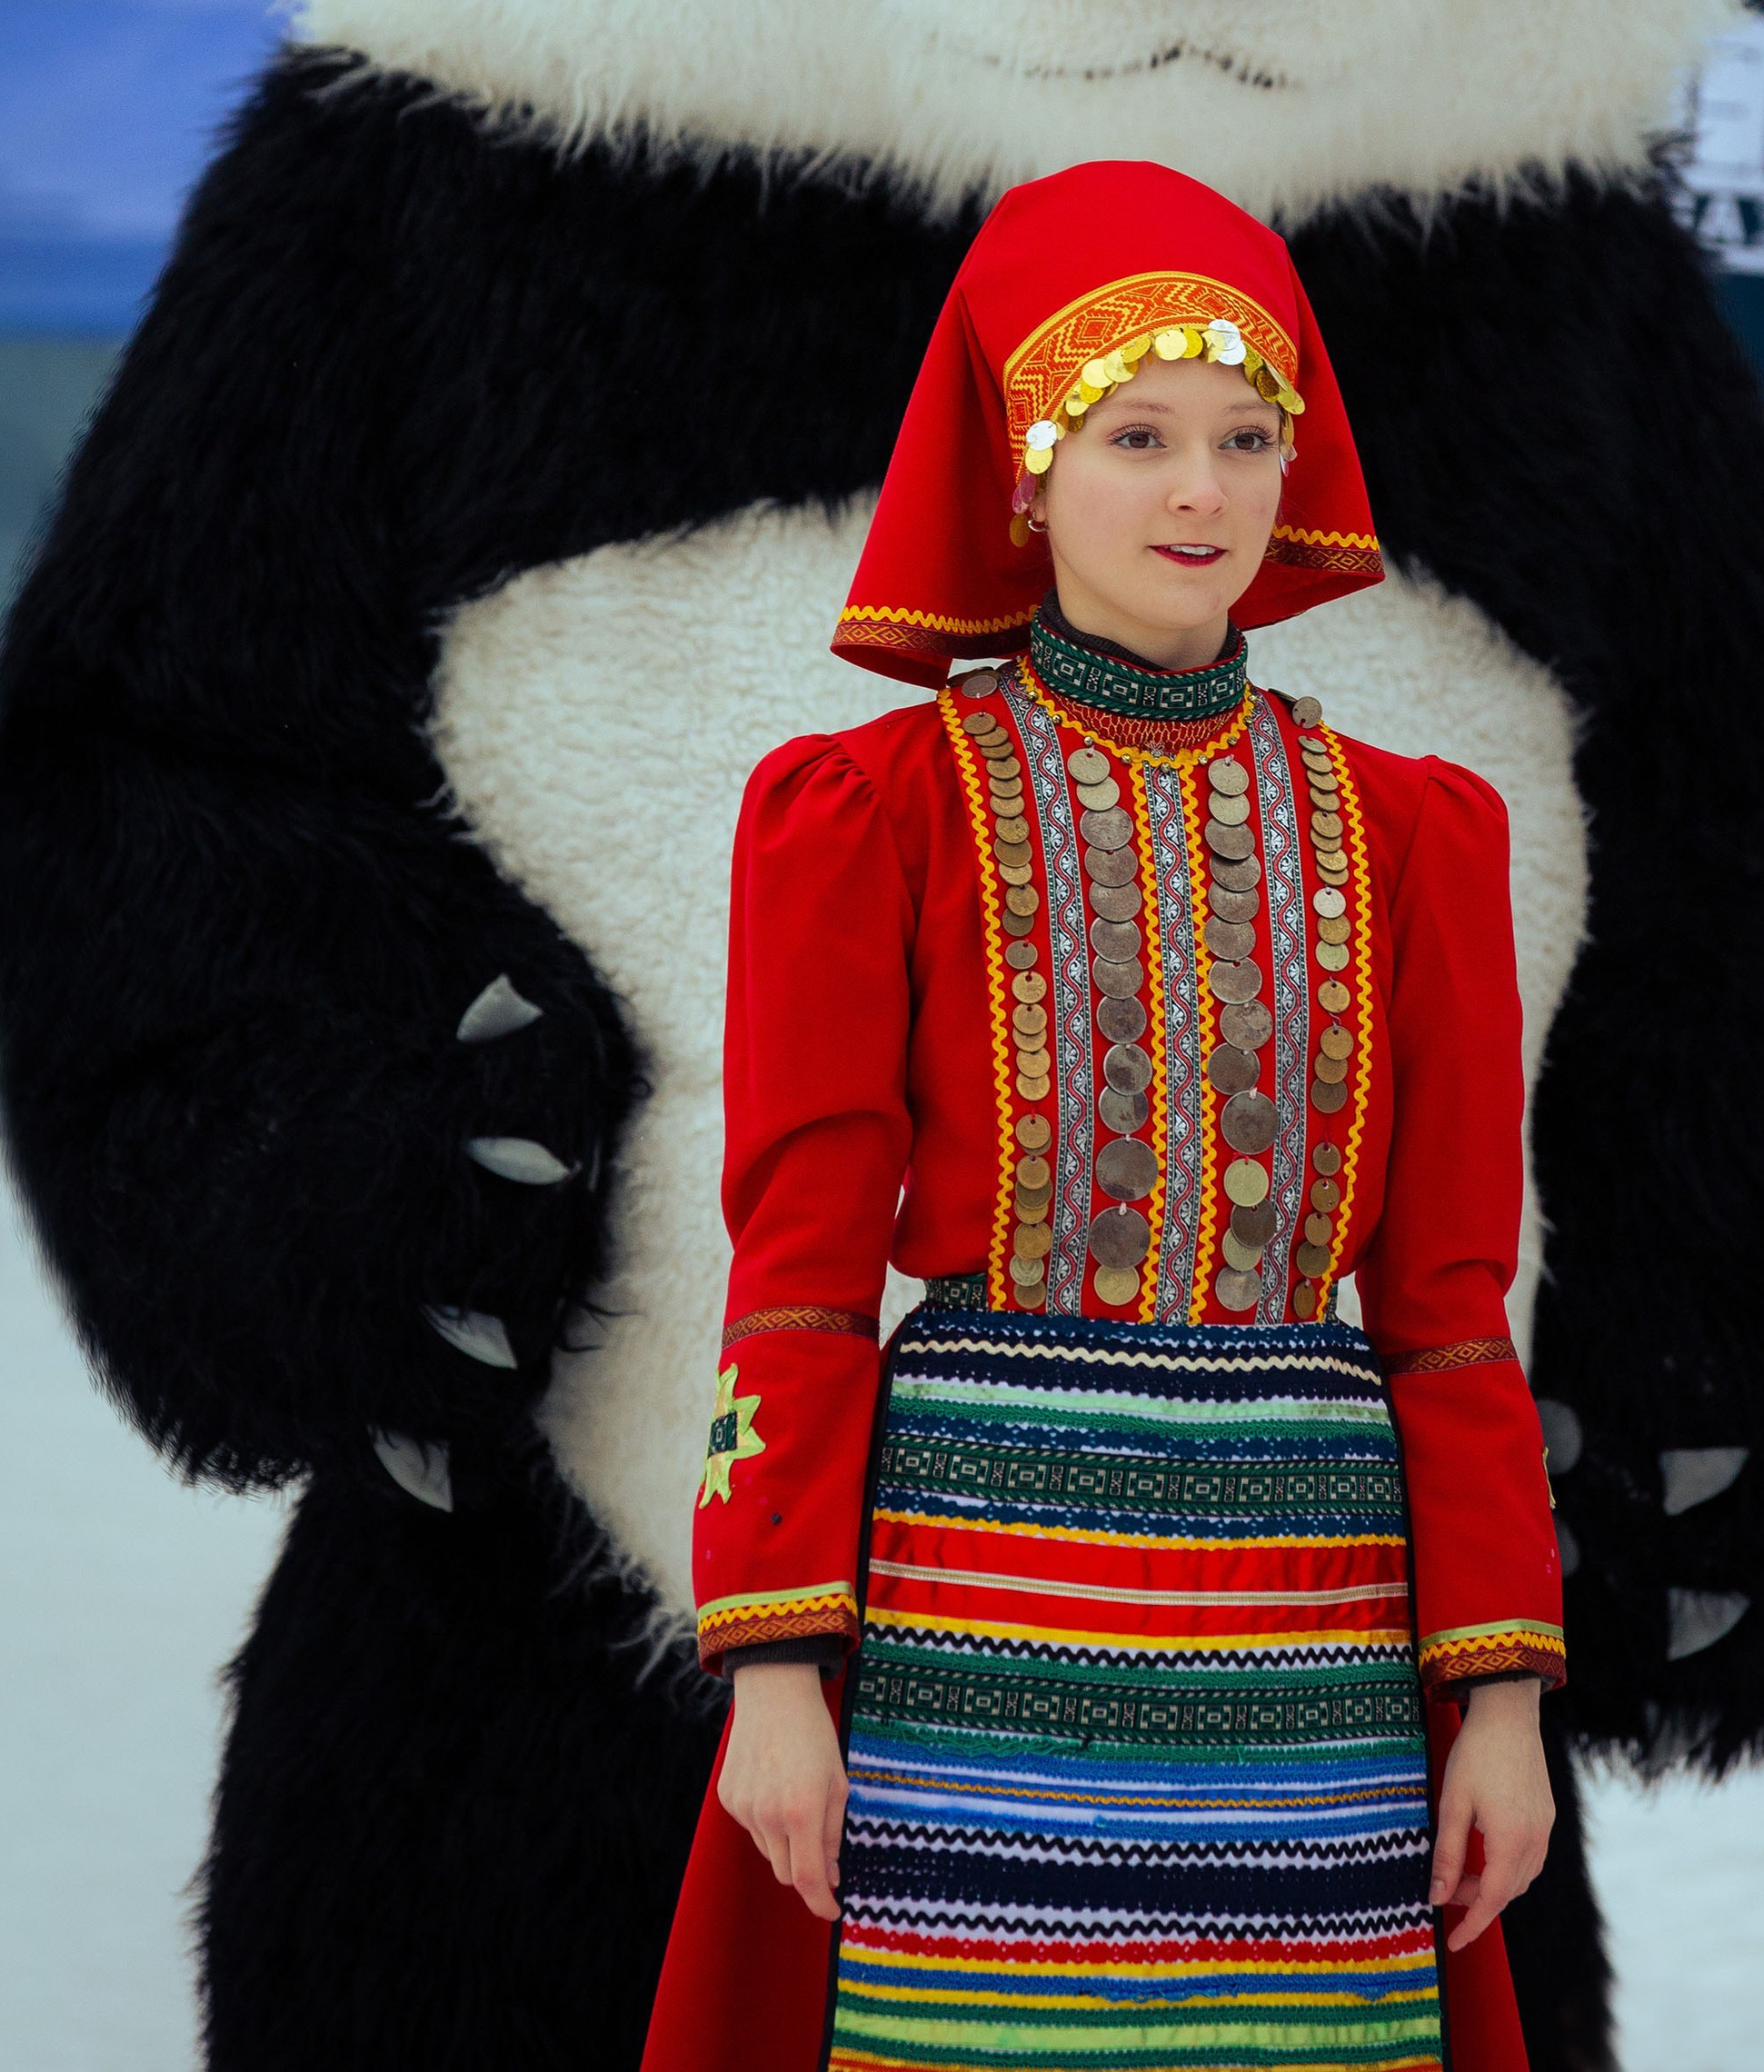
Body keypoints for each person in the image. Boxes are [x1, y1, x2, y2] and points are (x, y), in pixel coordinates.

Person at [640, 160, 1565, 2072]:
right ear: (1022, 468)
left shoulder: (1412, 835)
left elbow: (1454, 1299)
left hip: (1304, 1627)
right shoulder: (869, 812)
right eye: (1134, 434)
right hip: (969, 1607)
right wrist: (776, 1669)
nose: (1201, 491)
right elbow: (799, 1276)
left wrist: (1495, 1699)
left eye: (1243, 434)